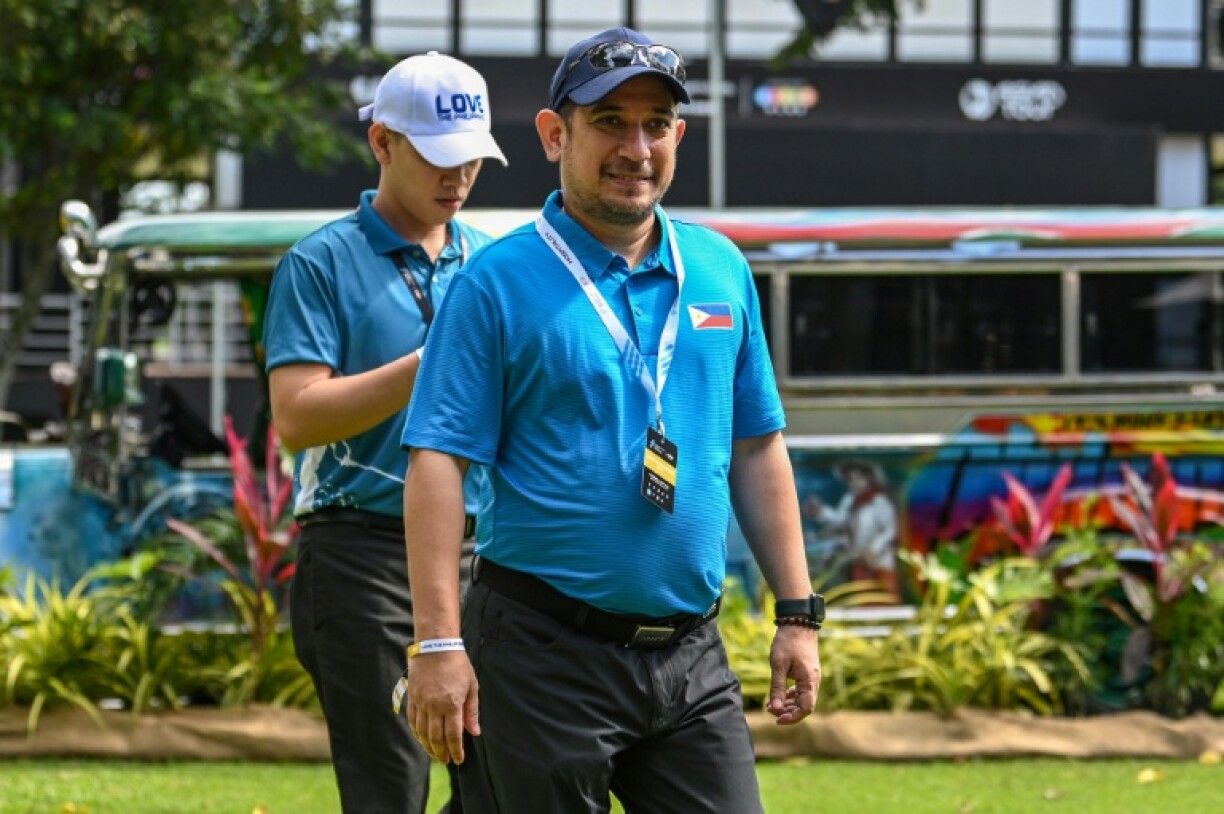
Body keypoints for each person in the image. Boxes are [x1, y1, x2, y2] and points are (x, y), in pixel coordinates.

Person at [399, 27, 822, 813]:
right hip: (539, 652)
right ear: (555, 134)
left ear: (679, 136)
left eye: (655, 123)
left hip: (690, 656)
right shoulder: (495, 283)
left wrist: (797, 613)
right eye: (609, 122)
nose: (636, 146)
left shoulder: (721, 268)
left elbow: (758, 445)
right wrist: (437, 643)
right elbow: (436, 463)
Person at [262, 51, 507, 814]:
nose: (457, 178)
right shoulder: (320, 264)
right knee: (390, 788)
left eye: (471, 159)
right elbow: (297, 415)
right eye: (438, 157)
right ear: (382, 144)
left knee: (510, 773)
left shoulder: (490, 260)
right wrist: (433, 362)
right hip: (361, 552)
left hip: (485, 553)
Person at [808, 460, 900, 598]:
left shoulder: (880, 502)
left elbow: (890, 530)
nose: (854, 483)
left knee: (883, 597)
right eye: (851, 480)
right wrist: (821, 512)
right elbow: (841, 520)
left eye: (859, 478)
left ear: (869, 479)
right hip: (860, 561)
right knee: (861, 597)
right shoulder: (850, 500)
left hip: (880, 562)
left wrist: (874, 549)